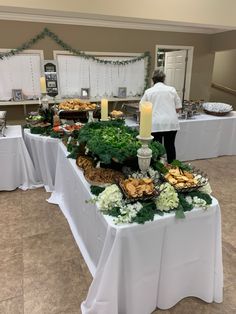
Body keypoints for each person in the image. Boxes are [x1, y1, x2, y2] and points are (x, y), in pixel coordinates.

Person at [140, 68, 182, 163]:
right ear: (164, 79)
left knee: (156, 148)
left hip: (155, 124)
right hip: (171, 123)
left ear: (153, 79)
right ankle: (173, 168)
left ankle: (157, 168)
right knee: (170, 146)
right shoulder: (172, 90)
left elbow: (142, 108)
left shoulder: (149, 92)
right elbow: (178, 108)